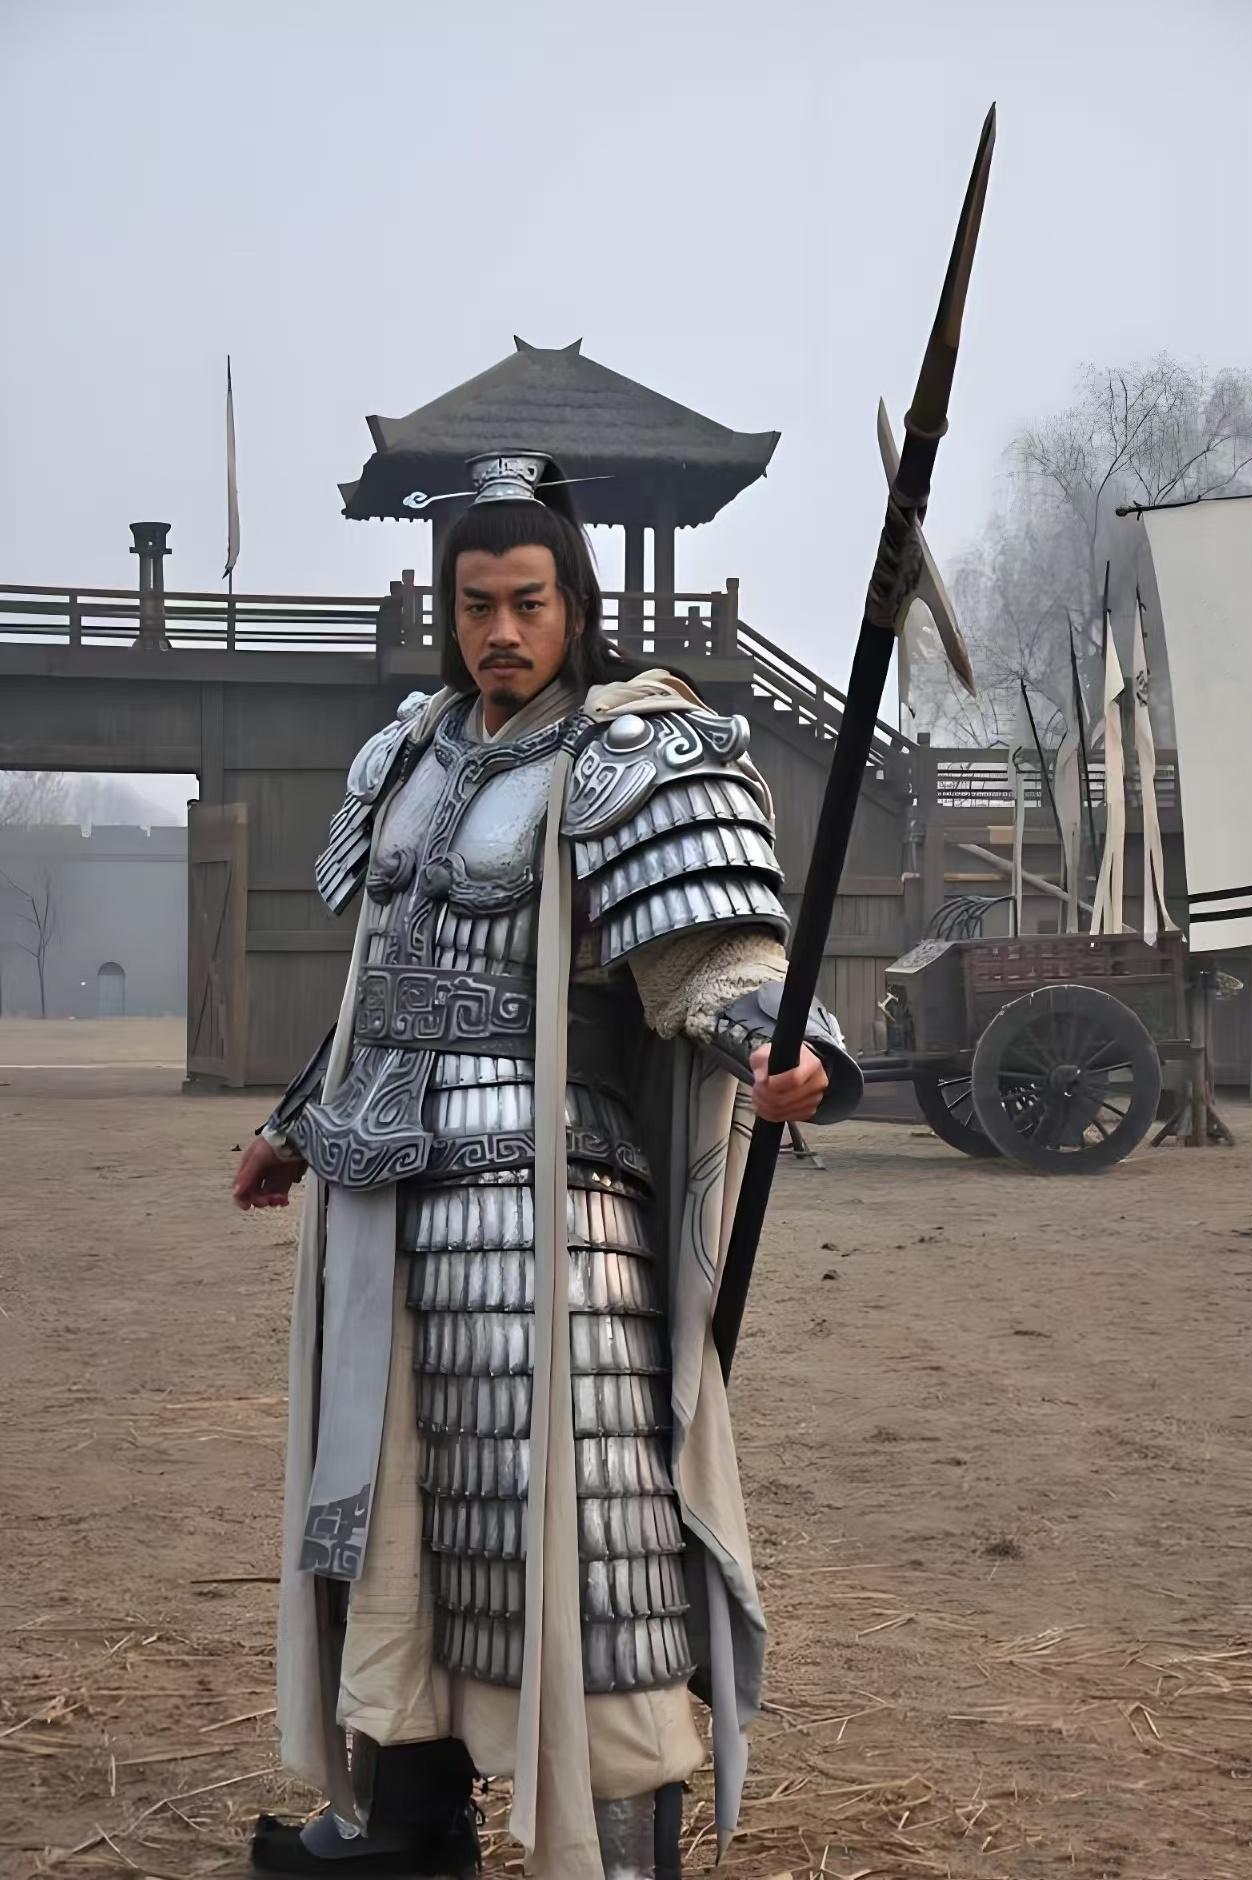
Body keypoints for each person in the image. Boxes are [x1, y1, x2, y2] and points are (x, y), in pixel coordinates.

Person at [233, 451, 861, 1880]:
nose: (500, 632)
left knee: (584, 1517)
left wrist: (787, 1048)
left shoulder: (635, 752)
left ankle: (621, 1847)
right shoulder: (406, 754)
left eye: (527, 602)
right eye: (475, 605)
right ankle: (407, 1813)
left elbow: (716, 959)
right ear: (447, 610)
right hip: (381, 1198)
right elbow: (382, 988)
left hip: (547, 1200)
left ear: (574, 602)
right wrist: (295, 1123)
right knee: (383, 1511)